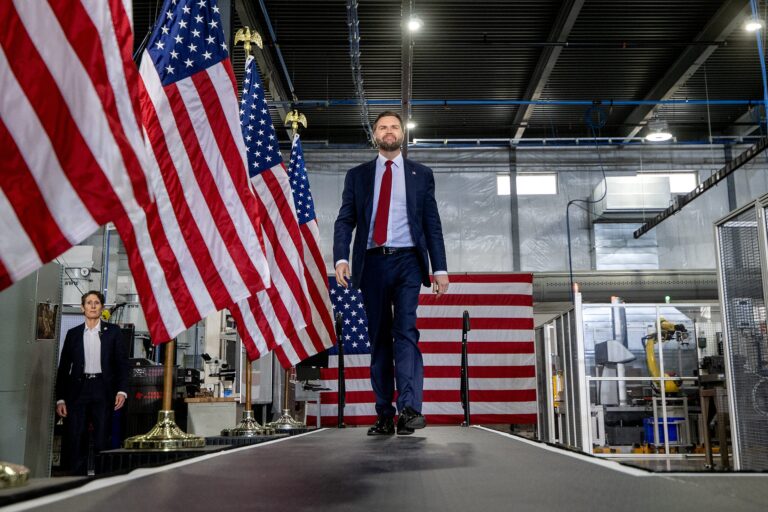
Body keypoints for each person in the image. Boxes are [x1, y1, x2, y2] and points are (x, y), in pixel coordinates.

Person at [334, 111, 449, 436]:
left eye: (394, 126)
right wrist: (341, 258)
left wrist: (439, 267)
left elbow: (431, 223)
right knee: (380, 338)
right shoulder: (357, 176)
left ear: (402, 133)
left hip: (409, 262)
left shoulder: (421, 174)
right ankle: (384, 413)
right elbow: (345, 220)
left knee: (406, 332)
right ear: (374, 134)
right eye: (382, 127)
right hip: (371, 262)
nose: (388, 131)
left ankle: (409, 409)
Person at [56, 290, 128, 475]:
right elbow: (64, 368)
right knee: (76, 436)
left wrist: (122, 391)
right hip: (78, 390)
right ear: (83, 307)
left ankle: (103, 479)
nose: (93, 306)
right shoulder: (73, 334)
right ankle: (76, 481)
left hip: (103, 389)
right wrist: (60, 399)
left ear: (101, 307)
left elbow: (121, 364)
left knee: (102, 438)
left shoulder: (113, 332)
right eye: (89, 302)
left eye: (97, 302)